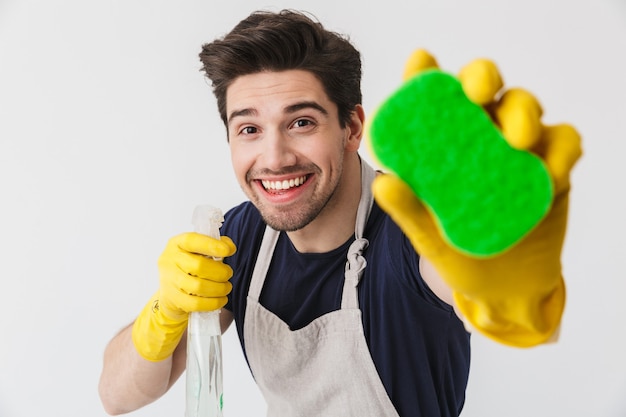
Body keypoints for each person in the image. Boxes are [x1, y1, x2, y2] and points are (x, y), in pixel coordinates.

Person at [98, 9, 581, 417]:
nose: (274, 157)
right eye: (249, 129)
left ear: (352, 127)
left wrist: (505, 261)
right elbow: (116, 397)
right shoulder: (239, 237)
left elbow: (476, 284)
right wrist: (163, 312)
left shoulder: (414, 227)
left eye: (301, 122)